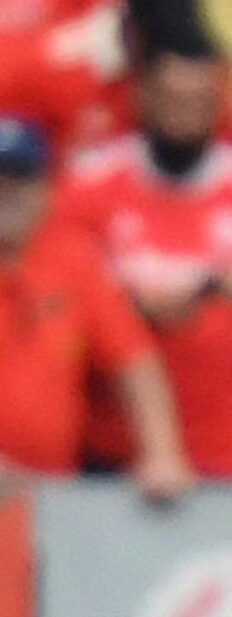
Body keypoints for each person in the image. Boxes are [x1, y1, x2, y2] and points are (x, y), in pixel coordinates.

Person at [58, 27, 232, 481]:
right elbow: (60, 312)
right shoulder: (88, 186)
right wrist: (133, 307)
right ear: (143, 96)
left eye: (200, 100)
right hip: (112, 451)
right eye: (173, 99)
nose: (185, 116)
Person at [0, 114, 192, 500]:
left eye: (20, 179)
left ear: (46, 188)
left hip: (52, 500)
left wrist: (162, 453)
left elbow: (134, 361)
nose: (7, 192)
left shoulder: (74, 260)